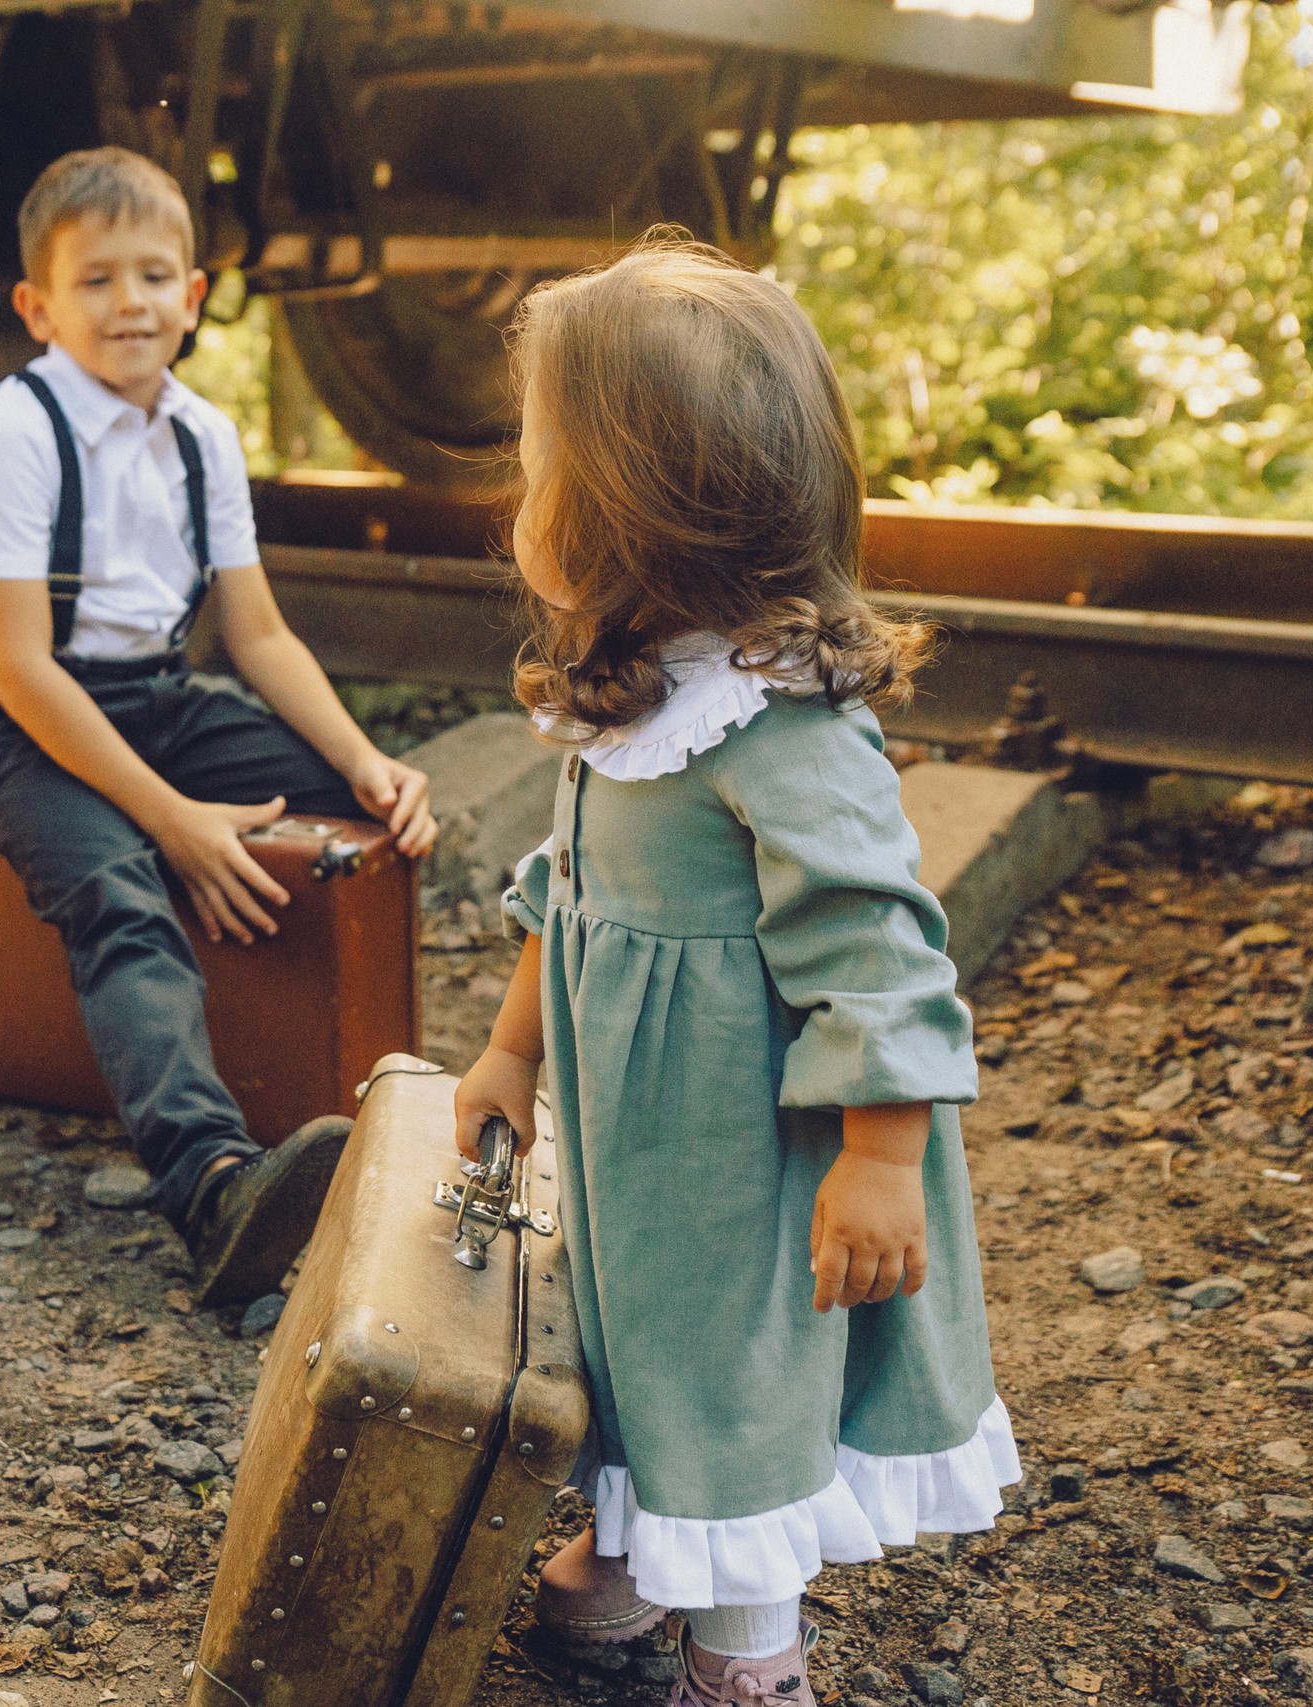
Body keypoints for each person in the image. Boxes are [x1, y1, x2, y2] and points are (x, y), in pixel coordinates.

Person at [451, 233, 1016, 1705]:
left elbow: (884, 952)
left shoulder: (780, 726)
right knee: (642, 1336)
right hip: (653, 1150)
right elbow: (565, 894)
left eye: (538, 474)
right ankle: (646, 1555)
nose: (518, 504)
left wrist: (882, 1155)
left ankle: (747, 1661)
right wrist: (512, 1047)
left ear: (640, 513)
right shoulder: (637, 688)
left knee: (734, 1379)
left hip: (750, 1162)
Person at [0, 146, 436, 1306]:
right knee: (120, 890)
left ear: (195, 295)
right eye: (95, 281)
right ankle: (213, 1185)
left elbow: (255, 636)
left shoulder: (200, 434)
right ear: (37, 307)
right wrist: (172, 824)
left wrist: (365, 762)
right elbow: (18, 671)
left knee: (347, 805)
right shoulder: (11, 438)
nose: (129, 304)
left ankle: (371, 1078)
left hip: (152, 697)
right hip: (12, 719)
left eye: (154, 276)